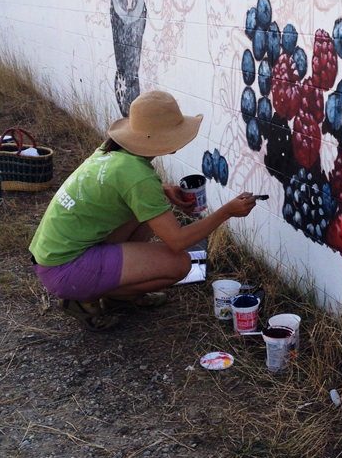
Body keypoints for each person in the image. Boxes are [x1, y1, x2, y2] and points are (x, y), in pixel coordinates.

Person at [29, 90, 257, 330]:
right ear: (158, 138)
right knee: (180, 264)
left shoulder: (112, 152)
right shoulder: (138, 176)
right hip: (66, 269)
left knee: (150, 211)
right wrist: (226, 212)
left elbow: (123, 187)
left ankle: (118, 296)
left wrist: (164, 189)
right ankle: (85, 298)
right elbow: (177, 241)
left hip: (50, 256)